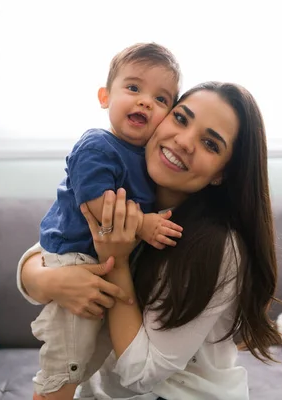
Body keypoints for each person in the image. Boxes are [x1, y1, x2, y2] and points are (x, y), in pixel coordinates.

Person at [18, 82, 282, 399]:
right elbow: (46, 254)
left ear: (221, 173)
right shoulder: (120, 188)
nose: (184, 141)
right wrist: (49, 281)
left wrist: (116, 260)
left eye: (211, 144)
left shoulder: (219, 246)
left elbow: (140, 373)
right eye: (181, 118)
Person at [30, 43, 185, 400]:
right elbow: (98, 205)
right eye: (133, 88)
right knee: (66, 363)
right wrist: (145, 225)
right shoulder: (98, 145)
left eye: (161, 99)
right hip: (75, 260)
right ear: (105, 97)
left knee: (87, 359)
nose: (146, 101)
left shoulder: (146, 158)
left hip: (102, 262)